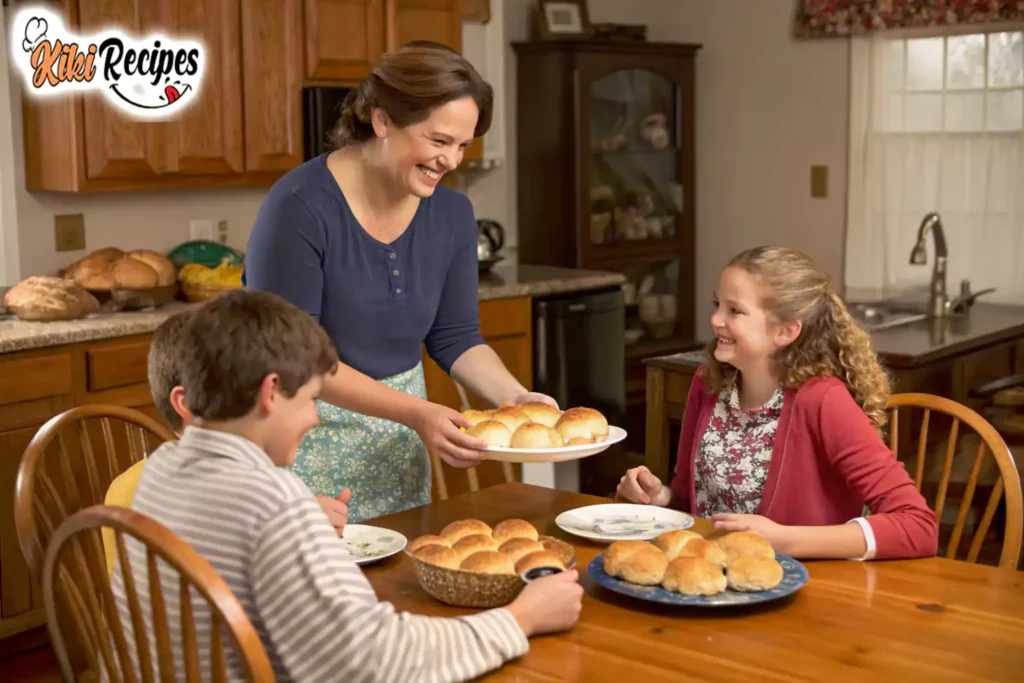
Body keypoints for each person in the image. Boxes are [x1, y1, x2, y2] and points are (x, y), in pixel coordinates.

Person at [110, 290, 583, 683]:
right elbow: (371, 660)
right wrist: (521, 618)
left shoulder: (161, 471)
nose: (316, 418)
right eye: (312, 399)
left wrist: (297, 526)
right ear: (270, 392)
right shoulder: (273, 500)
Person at [243, 41, 555, 523]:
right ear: (383, 120)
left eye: (463, 145)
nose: (451, 161)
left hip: (398, 453)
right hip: (300, 446)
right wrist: (417, 413)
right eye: (438, 140)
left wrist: (516, 398)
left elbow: (456, 337)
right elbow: (294, 360)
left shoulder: (452, 214)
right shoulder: (299, 208)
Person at [616, 247, 938, 560]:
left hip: (810, 593)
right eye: (717, 305)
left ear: (786, 330)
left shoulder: (823, 400)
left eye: (734, 310)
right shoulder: (707, 384)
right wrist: (659, 498)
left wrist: (784, 539)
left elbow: (918, 525)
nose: (715, 320)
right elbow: (691, 505)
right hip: (715, 584)